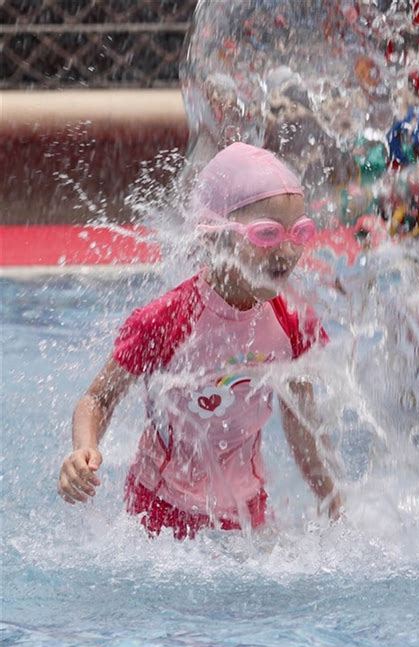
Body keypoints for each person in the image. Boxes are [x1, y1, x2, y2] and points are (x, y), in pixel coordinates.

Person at [58, 142, 342, 539]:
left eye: (299, 232)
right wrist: (82, 450)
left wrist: (330, 498)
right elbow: (99, 399)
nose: (288, 249)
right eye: (267, 234)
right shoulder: (167, 319)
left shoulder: (293, 320)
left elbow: (299, 422)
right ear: (214, 239)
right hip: (159, 509)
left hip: (247, 511)